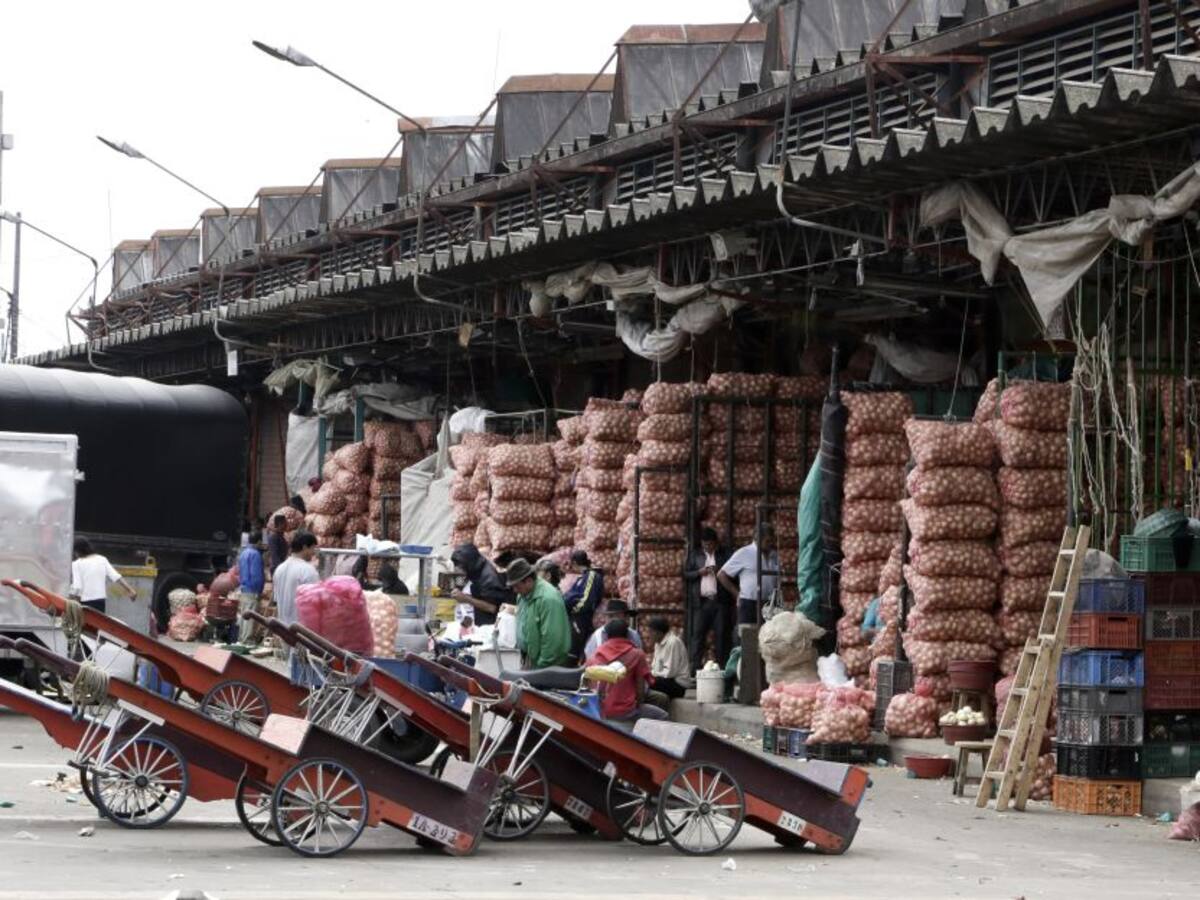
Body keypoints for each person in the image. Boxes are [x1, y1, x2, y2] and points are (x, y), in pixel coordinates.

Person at [585, 619, 667, 727]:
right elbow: (640, 688)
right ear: (628, 635)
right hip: (627, 711)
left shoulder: (596, 655)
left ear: (607, 635)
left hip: (600, 711)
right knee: (663, 716)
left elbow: (589, 684)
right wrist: (638, 705)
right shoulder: (637, 654)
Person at [505, 558, 572, 669]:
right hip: (529, 659)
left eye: (517, 586)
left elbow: (553, 642)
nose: (515, 590)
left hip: (545, 666)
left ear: (529, 581)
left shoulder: (549, 599)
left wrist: (540, 667)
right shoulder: (523, 596)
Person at [685, 527, 733, 669]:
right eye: (705, 544)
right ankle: (694, 669)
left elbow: (733, 573)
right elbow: (686, 573)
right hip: (702, 603)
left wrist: (719, 571)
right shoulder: (695, 555)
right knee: (698, 637)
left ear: (716, 543)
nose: (708, 547)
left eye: (711, 544)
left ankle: (723, 668)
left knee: (721, 636)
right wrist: (699, 572)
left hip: (720, 602)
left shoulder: (725, 554)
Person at [718, 524, 780, 628]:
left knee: (769, 637)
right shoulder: (744, 553)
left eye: (772, 541)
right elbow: (721, 575)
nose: (770, 544)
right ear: (758, 538)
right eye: (767, 541)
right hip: (749, 603)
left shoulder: (774, 555)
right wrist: (737, 594)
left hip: (769, 604)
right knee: (749, 638)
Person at [449, 543, 510, 626]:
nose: (458, 568)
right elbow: (461, 581)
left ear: (469, 563)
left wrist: (466, 599)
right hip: (474, 620)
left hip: (489, 624)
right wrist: (458, 582)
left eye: (460, 566)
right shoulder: (475, 567)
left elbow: (492, 608)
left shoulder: (489, 578)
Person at [70, 538, 136, 613]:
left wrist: (74, 606)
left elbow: (77, 587)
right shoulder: (102, 559)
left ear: (77, 551)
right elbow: (116, 576)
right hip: (100, 602)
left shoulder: (76, 564)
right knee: (98, 623)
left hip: (84, 603)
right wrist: (130, 590)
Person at [561, 550, 604, 661]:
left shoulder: (591, 576)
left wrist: (573, 611)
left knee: (574, 651)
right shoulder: (582, 578)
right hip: (575, 618)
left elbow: (586, 600)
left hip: (580, 619)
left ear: (574, 563)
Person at [272, 531, 320, 627]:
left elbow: (277, 600)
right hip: (302, 632)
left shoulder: (279, 569)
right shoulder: (308, 570)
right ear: (305, 547)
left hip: (284, 630)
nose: (314, 553)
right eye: (313, 548)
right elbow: (315, 604)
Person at [646, 616, 689, 699]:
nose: (649, 635)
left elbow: (669, 673)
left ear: (659, 633)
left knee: (648, 681)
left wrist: (651, 675)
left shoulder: (673, 642)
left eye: (651, 632)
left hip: (678, 685)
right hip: (665, 680)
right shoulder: (658, 643)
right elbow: (655, 667)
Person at [236, 531, 266, 644]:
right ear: (258, 541)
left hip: (244, 588)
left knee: (244, 615)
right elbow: (256, 575)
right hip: (252, 589)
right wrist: (259, 591)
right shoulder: (255, 554)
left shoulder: (243, 553)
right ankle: (247, 640)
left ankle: (242, 639)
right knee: (251, 617)